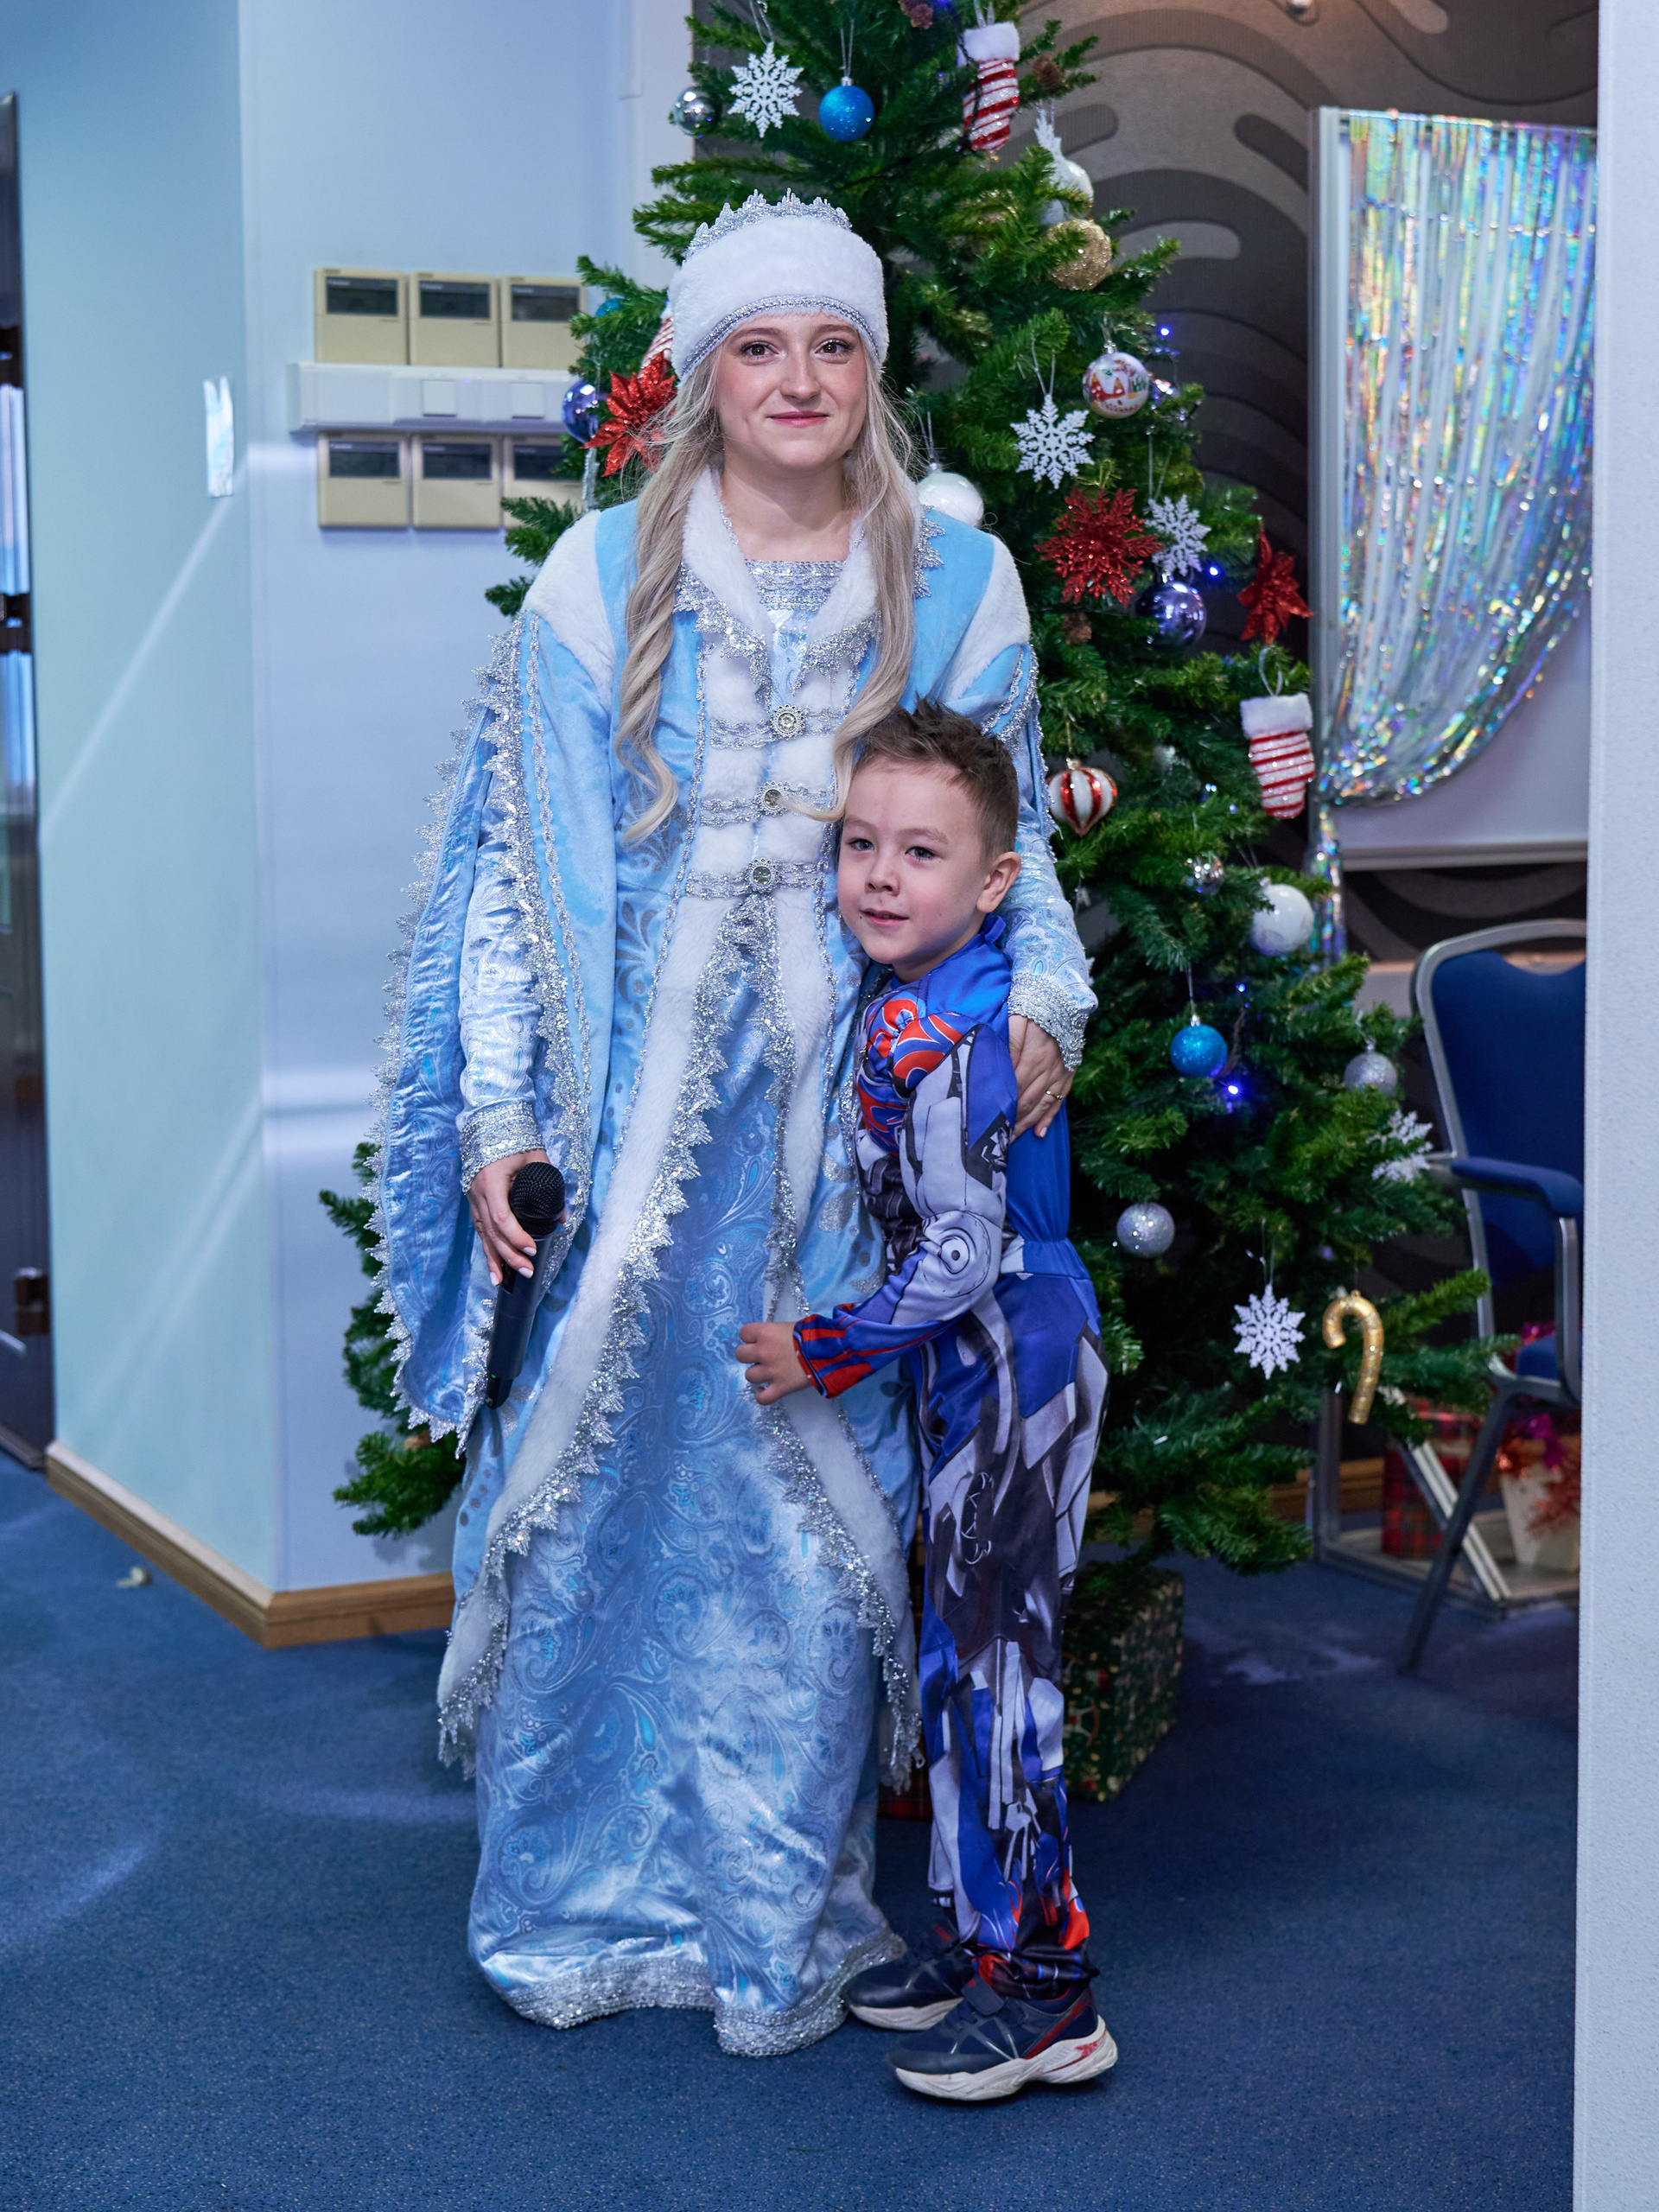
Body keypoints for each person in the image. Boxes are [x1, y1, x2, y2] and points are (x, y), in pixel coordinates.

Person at [374, 191, 1095, 2057]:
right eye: (759, 347)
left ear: (873, 373)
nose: (798, 379)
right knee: (595, 1506)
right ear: (701, 376)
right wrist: (500, 1119)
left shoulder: (961, 582)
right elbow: (514, 888)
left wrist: (1044, 999)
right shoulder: (595, 576)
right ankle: (572, 1902)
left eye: (834, 345)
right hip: (630, 1128)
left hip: (850, 1131)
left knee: (800, 1524)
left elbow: (1012, 846)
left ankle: (776, 1916)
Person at [738, 702, 1112, 2101]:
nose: (882, 877)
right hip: (972, 1370)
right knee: (960, 1664)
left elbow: (961, 1252)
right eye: (861, 846)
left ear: (997, 880)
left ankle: (1051, 1990)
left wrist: (823, 1347)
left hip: (1021, 1358)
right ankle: (975, 1938)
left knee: (1005, 1679)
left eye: (922, 853)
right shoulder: (906, 996)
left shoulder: (971, 1030)